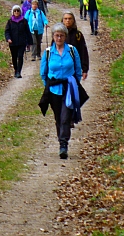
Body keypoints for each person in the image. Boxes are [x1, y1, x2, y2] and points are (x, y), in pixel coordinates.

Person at [40, 23, 82, 159]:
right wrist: (48, 86)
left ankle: (63, 145)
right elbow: (43, 73)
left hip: (69, 89)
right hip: (54, 91)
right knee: (58, 118)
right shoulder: (47, 53)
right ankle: (61, 141)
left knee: (65, 118)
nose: (59, 38)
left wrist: (75, 84)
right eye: (57, 35)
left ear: (65, 37)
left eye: (62, 35)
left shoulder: (72, 50)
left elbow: (78, 70)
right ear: (53, 36)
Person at [5, 5, 33, 78]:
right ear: (13, 12)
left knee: (20, 56)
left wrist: (29, 42)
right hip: (12, 43)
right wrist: (8, 38)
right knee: (14, 57)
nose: (16, 12)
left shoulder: (24, 21)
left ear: (20, 12)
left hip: (21, 42)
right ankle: (15, 70)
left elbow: (28, 32)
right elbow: (7, 31)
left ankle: (18, 72)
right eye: (15, 11)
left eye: (18, 11)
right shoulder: (10, 21)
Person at [61, 11, 89, 80]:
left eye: (70, 18)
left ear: (73, 20)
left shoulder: (78, 35)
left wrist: (84, 69)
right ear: (62, 20)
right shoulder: (58, 35)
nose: (68, 21)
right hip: (60, 67)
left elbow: (83, 52)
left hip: (74, 67)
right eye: (66, 19)